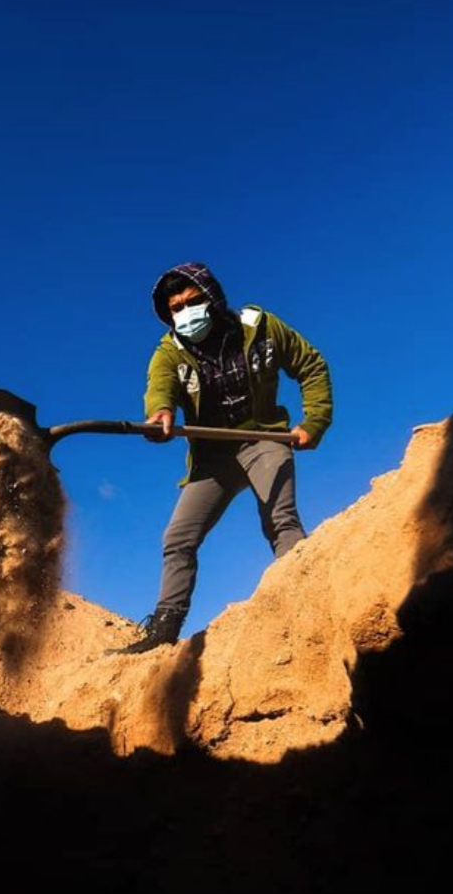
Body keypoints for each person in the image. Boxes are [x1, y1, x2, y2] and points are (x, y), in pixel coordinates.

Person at [110, 261, 333, 655]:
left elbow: (310, 365)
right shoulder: (170, 352)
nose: (185, 312)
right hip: (211, 457)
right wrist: (160, 414)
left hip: (263, 438)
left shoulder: (259, 326)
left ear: (213, 299)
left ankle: (308, 608)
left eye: (192, 301)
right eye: (175, 308)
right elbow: (160, 388)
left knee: (281, 520)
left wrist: (314, 421)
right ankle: (164, 629)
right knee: (178, 539)